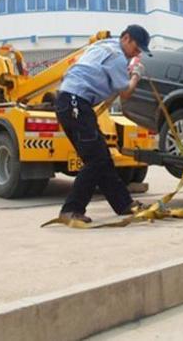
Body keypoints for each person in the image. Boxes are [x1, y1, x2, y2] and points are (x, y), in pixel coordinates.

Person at [55, 24, 150, 224]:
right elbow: (124, 92)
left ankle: (124, 204)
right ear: (126, 38)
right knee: (96, 160)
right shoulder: (116, 57)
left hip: (71, 102)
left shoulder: (103, 45)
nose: (137, 52)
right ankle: (71, 210)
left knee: (103, 159)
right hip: (76, 102)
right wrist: (135, 75)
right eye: (136, 47)